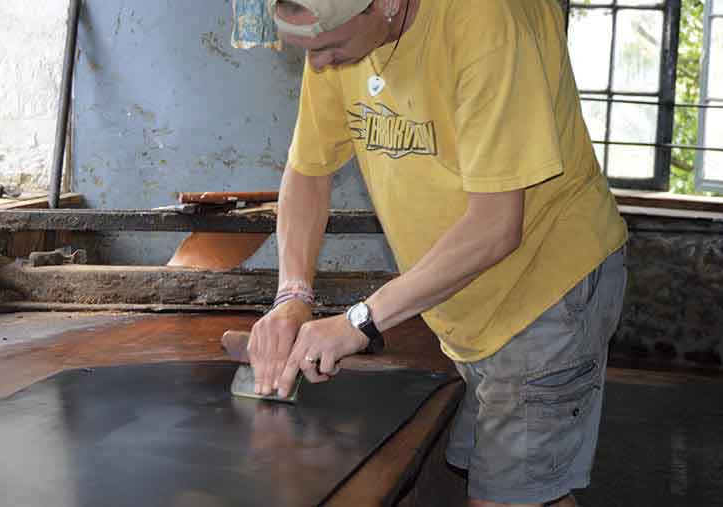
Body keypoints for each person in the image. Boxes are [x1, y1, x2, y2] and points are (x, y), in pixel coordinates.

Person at [247, 0, 629, 506]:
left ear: (385, 5)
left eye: (331, 47)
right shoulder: (337, 36)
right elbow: (308, 170)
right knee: (524, 487)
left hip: (545, 288)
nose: (318, 65)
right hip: (467, 298)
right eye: (307, 52)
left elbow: (496, 227)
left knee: (506, 497)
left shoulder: (488, 23)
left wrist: (357, 322)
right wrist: (292, 295)